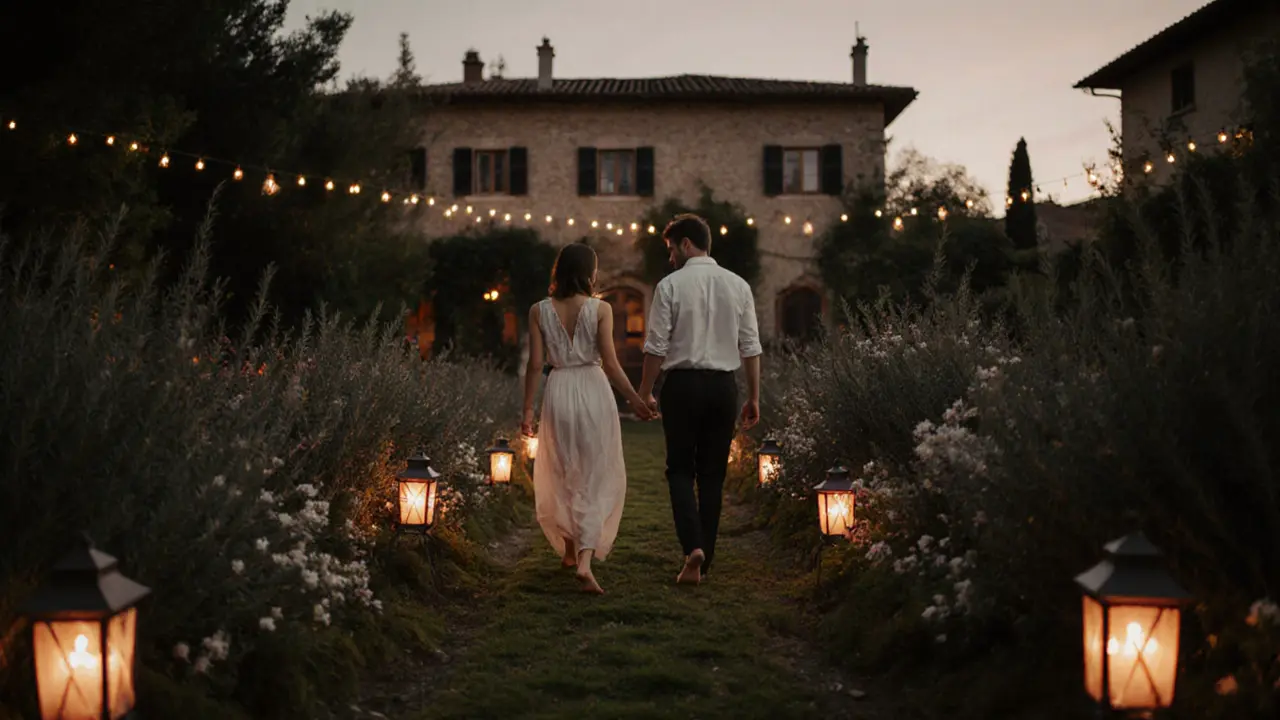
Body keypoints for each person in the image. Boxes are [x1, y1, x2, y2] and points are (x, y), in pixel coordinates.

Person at [521, 243, 655, 594]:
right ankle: (582, 561)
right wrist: (636, 399)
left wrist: (526, 411)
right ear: (589, 273)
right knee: (594, 473)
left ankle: (568, 552)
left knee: (564, 470)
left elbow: (535, 365)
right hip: (593, 390)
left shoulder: (537, 310)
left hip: (559, 389)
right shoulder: (601, 309)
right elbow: (610, 363)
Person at [638, 213, 763, 585]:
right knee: (712, 476)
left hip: (682, 387)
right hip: (724, 387)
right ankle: (703, 560)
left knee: (679, 469)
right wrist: (753, 396)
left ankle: (691, 547)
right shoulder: (739, 285)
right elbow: (751, 346)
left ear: (686, 244)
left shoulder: (670, 285)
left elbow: (656, 347)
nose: (670, 257)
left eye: (671, 248)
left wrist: (644, 392)